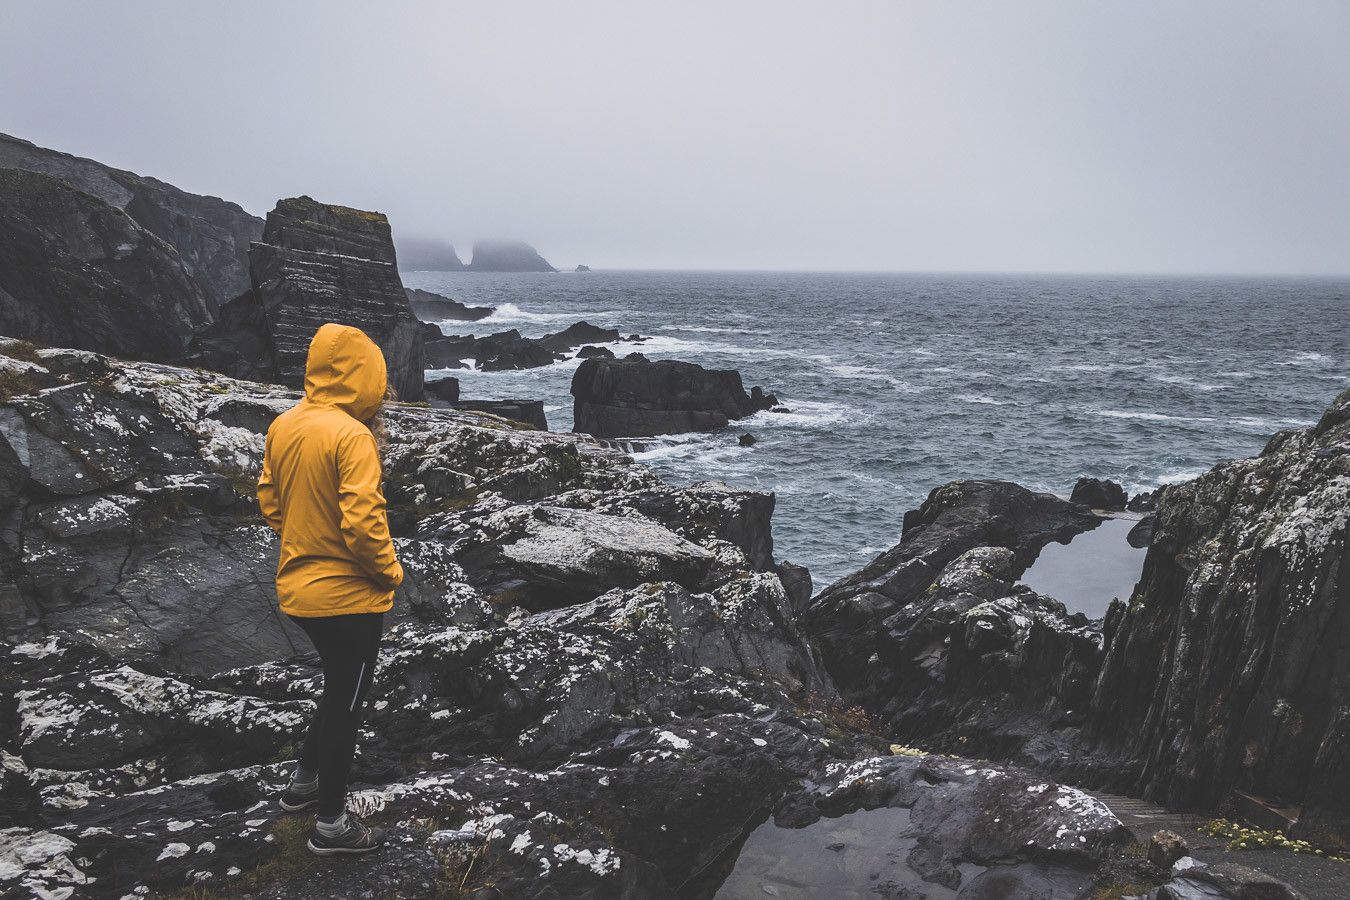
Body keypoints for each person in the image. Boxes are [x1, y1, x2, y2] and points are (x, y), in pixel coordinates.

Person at [257, 323, 404, 856]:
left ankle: (302, 786)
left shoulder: (285, 424)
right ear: (365, 377)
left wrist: (306, 537)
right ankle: (332, 827)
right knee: (348, 702)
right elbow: (364, 523)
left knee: (337, 685)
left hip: (299, 591)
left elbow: (270, 501)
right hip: (349, 599)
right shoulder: (352, 435)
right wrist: (390, 573)